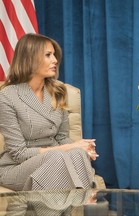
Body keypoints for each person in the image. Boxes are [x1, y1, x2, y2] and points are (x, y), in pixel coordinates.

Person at [0, 33, 98, 191]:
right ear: (30, 58)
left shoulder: (58, 90)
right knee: (58, 156)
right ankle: (84, 200)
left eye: (54, 55)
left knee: (77, 154)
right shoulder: (7, 96)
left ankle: (82, 207)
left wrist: (82, 148)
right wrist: (65, 149)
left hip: (57, 161)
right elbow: (18, 153)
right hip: (17, 167)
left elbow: (62, 138)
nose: (55, 60)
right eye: (48, 55)